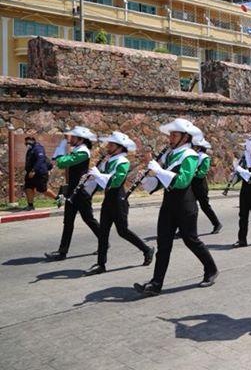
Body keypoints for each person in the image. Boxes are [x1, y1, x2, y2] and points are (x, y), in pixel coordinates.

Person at [134, 118, 218, 297]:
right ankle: (156, 283)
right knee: (163, 244)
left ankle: (211, 269)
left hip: (185, 205)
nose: (170, 138)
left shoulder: (190, 156)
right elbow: (161, 182)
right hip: (168, 204)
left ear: (185, 137)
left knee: (191, 240)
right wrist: (147, 179)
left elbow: (182, 181)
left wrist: (159, 171)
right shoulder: (169, 155)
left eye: (174, 135)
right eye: (170, 135)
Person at [83, 131, 154, 275]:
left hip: (118, 200)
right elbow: (102, 182)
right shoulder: (109, 161)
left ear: (119, 147)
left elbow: (116, 181)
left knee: (123, 231)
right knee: (103, 232)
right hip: (108, 199)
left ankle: (147, 250)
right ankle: (101, 264)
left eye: (111, 144)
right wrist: (90, 180)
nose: (108, 146)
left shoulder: (123, 162)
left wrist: (98, 175)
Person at [45, 126, 102, 261]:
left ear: (81, 139)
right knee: (68, 221)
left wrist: (62, 152)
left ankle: (104, 241)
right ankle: (62, 252)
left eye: (74, 137)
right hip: (72, 190)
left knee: (88, 219)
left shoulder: (83, 152)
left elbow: (62, 163)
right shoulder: (77, 150)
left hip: (81, 192)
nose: (71, 139)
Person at [191, 136, 223, 234]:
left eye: (193, 146)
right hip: (191, 184)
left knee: (205, 206)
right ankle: (185, 228)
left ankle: (216, 223)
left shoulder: (204, 157)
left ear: (198, 147)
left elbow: (202, 173)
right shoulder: (192, 155)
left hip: (200, 185)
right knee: (189, 207)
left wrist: (192, 173)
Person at [22, 133, 57, 211]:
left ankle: (57, 198)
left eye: (29, 141)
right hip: (30, 173)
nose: (27, 143)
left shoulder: (38, 148)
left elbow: (40, 160)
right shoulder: (30, 149)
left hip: (40, 173)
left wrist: (33, 170)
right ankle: (30, 205)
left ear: (33, 141)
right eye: (26, 141)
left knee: (42, 189)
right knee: (28, 187)